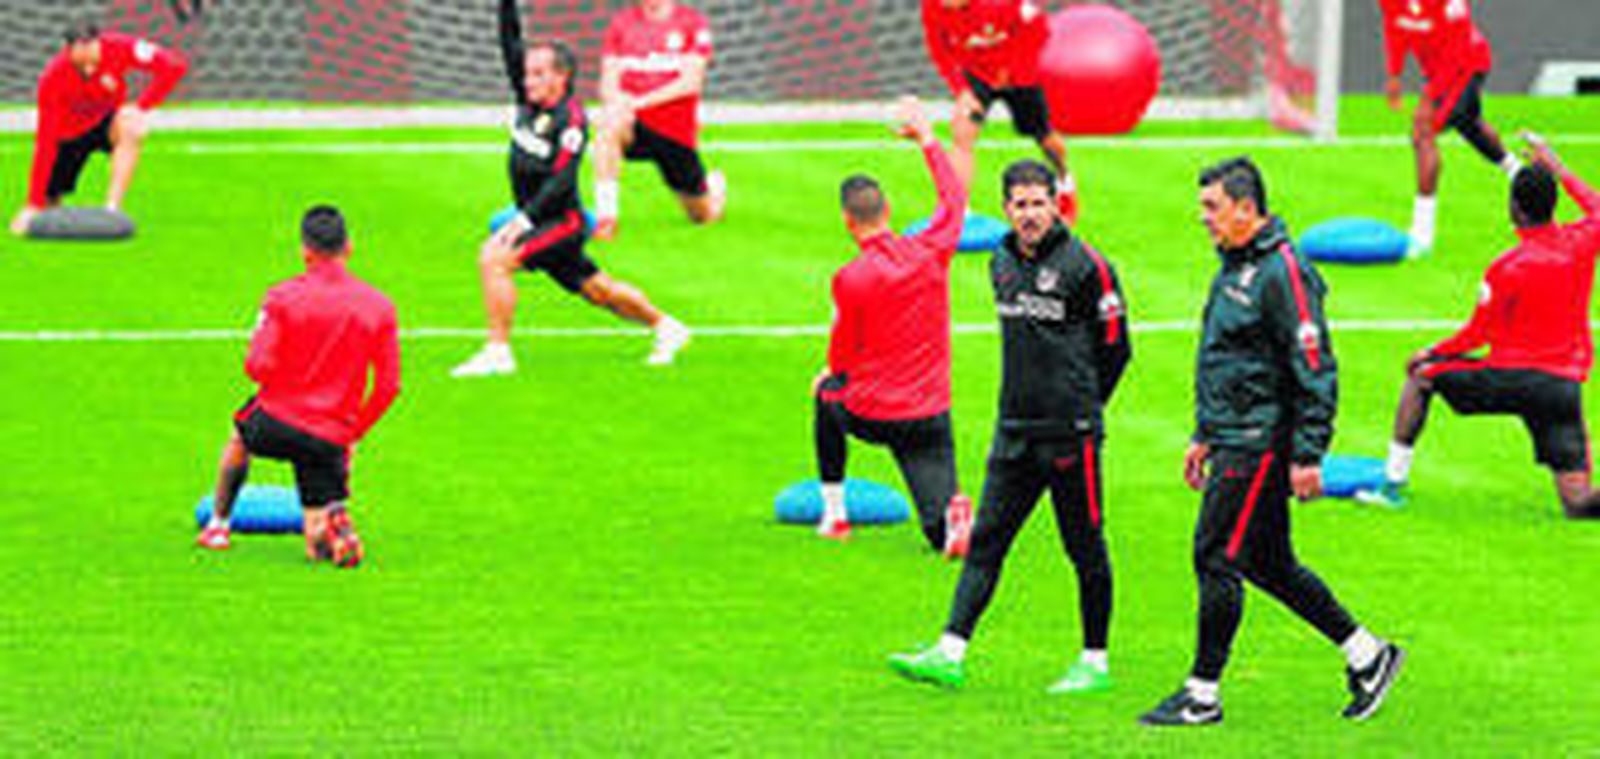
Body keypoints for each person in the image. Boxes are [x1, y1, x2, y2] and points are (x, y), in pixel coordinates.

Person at [1140, 157, 1403, 727]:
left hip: (1259, 442)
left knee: (1215, 554)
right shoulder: (1235, 264)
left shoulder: (1285, 271)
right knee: (1267, 561)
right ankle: (1369, 655)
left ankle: (1201, 695)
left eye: (1212, 206)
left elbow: (1315, 364)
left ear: (1246, 208)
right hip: (1233, 434)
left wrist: (1309, 454)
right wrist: (1204, 433)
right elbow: (1228, 359)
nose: (1202, 216)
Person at [887, 159, 1129, 693]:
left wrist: (1084, 406)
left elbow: (1117, 349)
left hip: (1070, 436)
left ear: (1056, 204)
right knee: (987, 542)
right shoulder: (998, 257)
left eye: (1039, 203)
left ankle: (1095, 661)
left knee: (1084, 546)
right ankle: (950, 652)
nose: (1029, 214)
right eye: (1019, 205)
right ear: (1005, 209)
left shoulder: (1089, 266)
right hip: (1014, 431)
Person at [1357, 134, 1600, 520]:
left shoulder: (1508, 267)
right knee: (1579, 503)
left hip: (1513, 379)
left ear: (1514, 210)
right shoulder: (1583, 241)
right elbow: (1597, 207)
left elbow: (1477, 336)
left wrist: (1430, 353)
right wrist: (1557, 166)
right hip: (1562, 387)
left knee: (1422, 378)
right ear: (1552, 205)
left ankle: (1391, 486)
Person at [451, 0, 690, 377]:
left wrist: (523, 220)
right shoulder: (527, 97)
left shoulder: (572, 120)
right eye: (527, 73)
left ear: (560, 77)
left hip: (562, 221)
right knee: (599, 292)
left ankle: (498, 352)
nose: (527, 79)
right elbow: (509, 42)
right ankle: (667, 327)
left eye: (537, 73)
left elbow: (562, 182)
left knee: (493, 259)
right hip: (539, 219)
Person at [195, 206, 400, 569]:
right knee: (314, 539)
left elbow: (255, 366)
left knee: (239, 436)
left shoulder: (281, 297)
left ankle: (218, 526)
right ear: (349, 247)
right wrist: (353, 432)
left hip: (276, 420)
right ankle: (328, 532)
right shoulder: (379, 306)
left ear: (305, 251)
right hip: (331, 433)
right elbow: (388, 386)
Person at [813, 96, 972, 556]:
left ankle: (834, 514)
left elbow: (840, 357)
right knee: (936, 533)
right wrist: (926, 138)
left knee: (825, 394)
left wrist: (831, 373)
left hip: (874, 413)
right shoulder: (931, 252)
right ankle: (951, 522)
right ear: (888, 211)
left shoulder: (850, 278)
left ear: (848, 221)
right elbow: (954, 200)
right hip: (930, 415)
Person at [9, 20, 188, 236]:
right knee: (48, 206)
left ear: (99, 43)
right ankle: (43, 204)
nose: (88, 65)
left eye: (91, 51)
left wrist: (142, 106)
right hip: (69, 135)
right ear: (69, 50)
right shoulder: (52, 79)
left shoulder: (121, 48)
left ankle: (112, 208)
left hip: (106, 122)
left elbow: (174, 66)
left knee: (131, 127)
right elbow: (45, 141)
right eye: (80, 55)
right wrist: (33, 203)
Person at [1379, 0, 1521, 258]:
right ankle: (1518, 171)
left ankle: (1422, 236)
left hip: (1467, 64)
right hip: (1436, 72)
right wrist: (1394, 75)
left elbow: (1458, 51)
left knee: (1422, 131)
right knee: (1468, 124)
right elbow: (1394, 29)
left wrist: (1429, 98)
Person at [921, 0, 1078, 223]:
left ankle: (1065, 181)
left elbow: (1039, 32)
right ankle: (957, 211)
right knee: (962, 133)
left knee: (1044, 137)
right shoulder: (932, 7)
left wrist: (1014, 69)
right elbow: (940, 52)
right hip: (977, 74)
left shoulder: (1005, 4)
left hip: (1021, 75)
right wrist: (962, 90)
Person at [590, 0, 725, 241]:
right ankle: (606, 219)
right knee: (608, 125)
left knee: (703, 215)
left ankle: (713, 188)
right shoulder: (622, 24)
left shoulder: (691, 23)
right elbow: (607, 81)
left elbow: (691, 82)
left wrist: (639, 102)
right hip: (632, 124)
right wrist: (618, 102)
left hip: (674, 132)